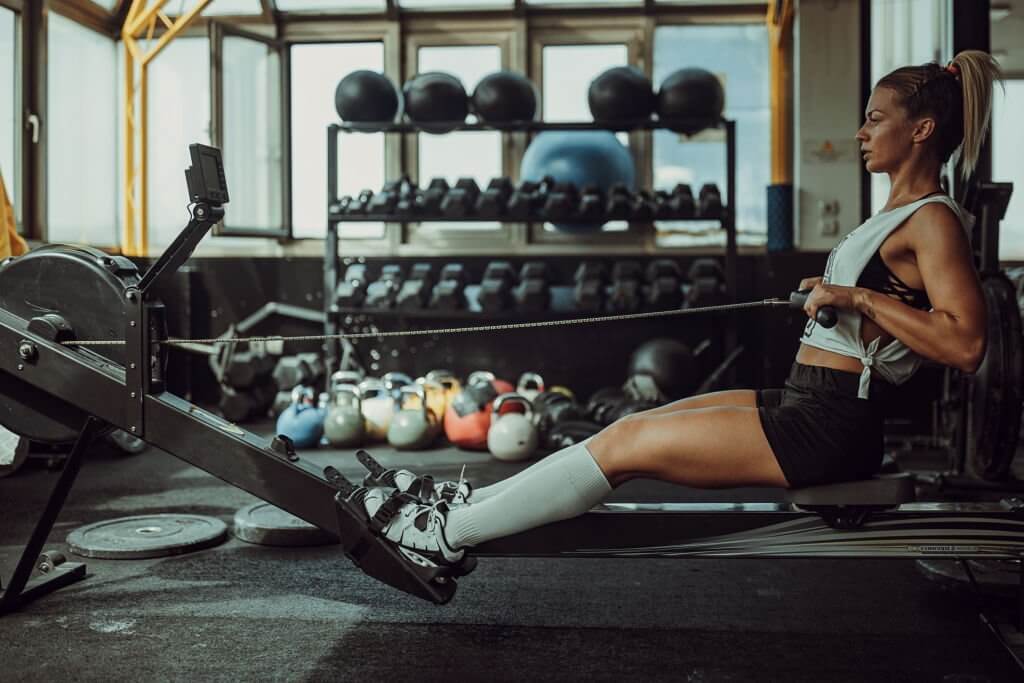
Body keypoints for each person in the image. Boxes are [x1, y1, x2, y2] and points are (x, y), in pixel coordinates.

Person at [360, 50, 1002, 570]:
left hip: (831, 425)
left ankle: (446, 535)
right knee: (627, 428)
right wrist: (837, 291)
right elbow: (887, 306)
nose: (861, 132)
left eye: (876, 118)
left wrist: (857, 296)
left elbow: (966, 344)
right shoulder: (895, 214)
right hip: (807, 399)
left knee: (627, 445)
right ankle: (462, 504)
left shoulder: (933, 220)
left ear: (920, 130)